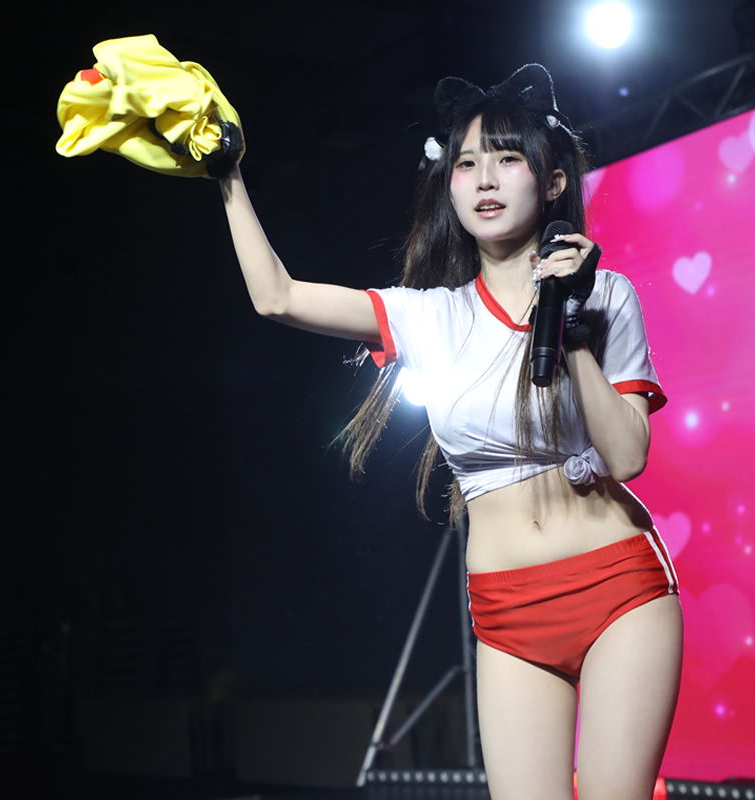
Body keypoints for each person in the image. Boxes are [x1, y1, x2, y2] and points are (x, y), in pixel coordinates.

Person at [217, 64, 682, 800]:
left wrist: (570, 326)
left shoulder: (607, 295)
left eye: (507, 158)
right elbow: (277, 298)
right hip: (507, 608)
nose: (484, 179)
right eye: (466, 164)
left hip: (619, 587)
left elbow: (627, 457)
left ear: (553, 183)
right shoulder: (429, 316)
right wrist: (228, 178)